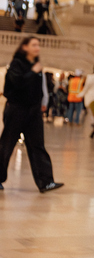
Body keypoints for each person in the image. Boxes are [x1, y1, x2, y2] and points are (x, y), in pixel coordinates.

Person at [0, 37, 64, 193]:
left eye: (38, 45)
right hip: (17, 110)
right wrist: (32, 73)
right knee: (6, 146)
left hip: (33, 112)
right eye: (34, 45)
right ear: (25, 47)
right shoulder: (17, 64)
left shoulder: (36, 65)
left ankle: (46, 182)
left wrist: (43, 102)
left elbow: (40, 88)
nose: (38, 48)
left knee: (37, 146)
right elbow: (16, 85)